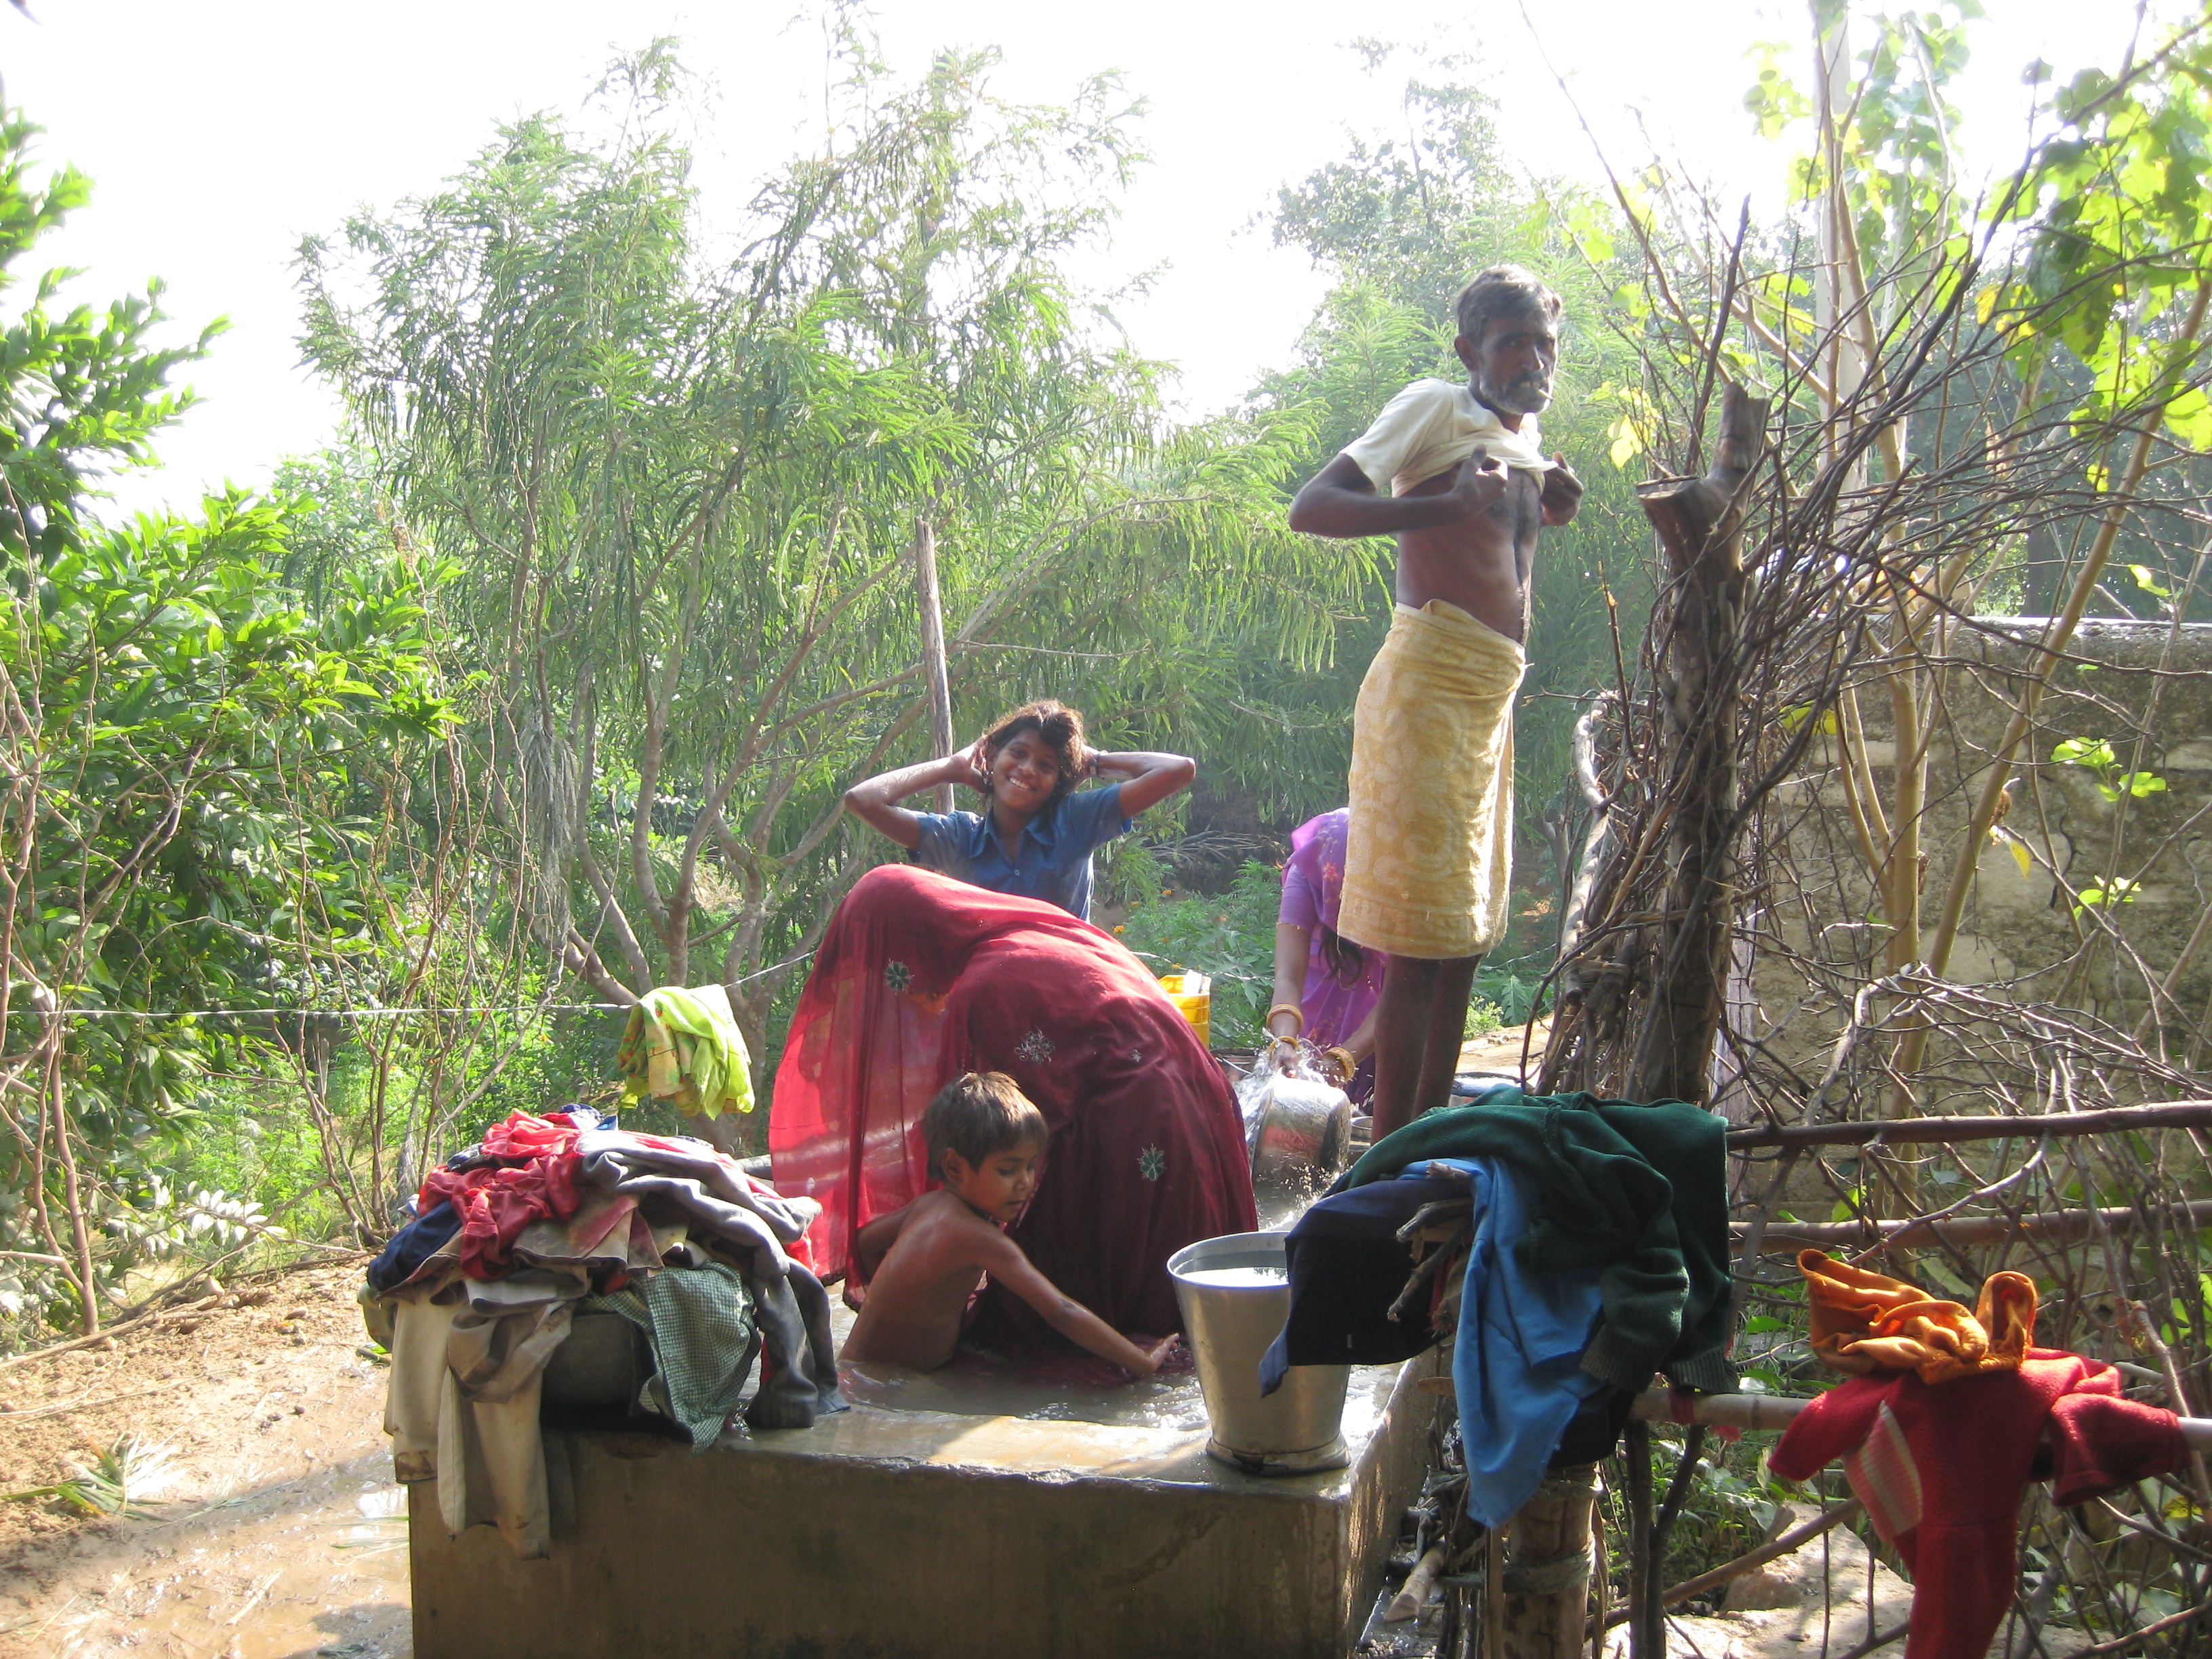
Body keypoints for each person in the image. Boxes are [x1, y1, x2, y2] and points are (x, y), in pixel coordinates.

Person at [1288, 265, 1583, 1139]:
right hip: (1426, 686)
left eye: (1544, 344)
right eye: (1511, 343)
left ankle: (1429, 1142)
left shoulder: (1524, 437)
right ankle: (1395, 1157)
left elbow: (1495, 544)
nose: (1532, 360)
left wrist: (1548, 508)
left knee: (1463, 940)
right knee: (1419, 946)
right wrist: (1443, 506)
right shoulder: (1433, 407)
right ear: (1468, 351)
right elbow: (1314, 507)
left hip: (1490, 701)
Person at [771, 864, 1256, 1347]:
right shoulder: (1038, 927)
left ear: (910, 942)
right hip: (1202, 1102)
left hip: (1134, 1120)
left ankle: (1122, 1348)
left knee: (1035, 1337)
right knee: (1194, 1329)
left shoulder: (986, 982)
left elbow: (1015, 1127)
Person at [841, 1071, 1181, 1375]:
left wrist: (886, 1308)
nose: (1024, 1182)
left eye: (1030, 1167)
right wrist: (1142, 1361)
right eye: (1007, 1170)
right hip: (887, 1383)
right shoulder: (977, 1236)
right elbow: (1061, 1311)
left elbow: (865, 1241)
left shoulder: (928, 1206)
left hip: (857, 1367)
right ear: (955, 1167)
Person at [842, 699, 1194, 921]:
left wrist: (1095, 762)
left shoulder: (1076, 820)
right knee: (882, 887)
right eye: (1018, 753)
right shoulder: (959, 837)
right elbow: (863, 800)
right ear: (993, 756)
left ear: (1058, 781)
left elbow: (1178, 770)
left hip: (1066, 991)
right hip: (987, 996)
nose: (1027, 770)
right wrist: (951, 767)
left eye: (1046, 765)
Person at [1263, 808, 1384, 1103]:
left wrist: (1343, 1059)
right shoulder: (1309, 870)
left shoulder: (1394, 885)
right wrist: (1285, 1041)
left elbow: (1402, 995)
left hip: (1385, 1013)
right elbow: (1288, 976)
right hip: (1316, 999)